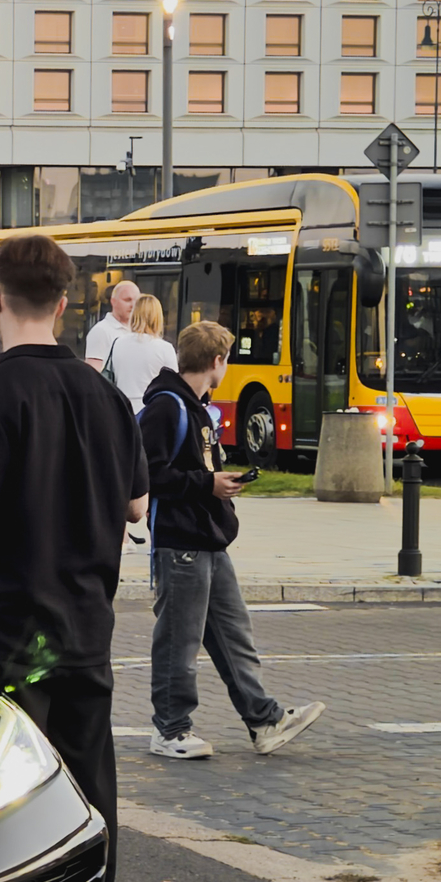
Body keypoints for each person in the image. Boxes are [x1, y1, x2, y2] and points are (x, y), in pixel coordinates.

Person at [0, 232, 148, 882]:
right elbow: (139, 506)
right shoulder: (106, 395)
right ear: (63, 303)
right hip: (87, 627)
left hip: (12, 636)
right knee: (90, 783)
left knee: (6, 795)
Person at [137, 321, 326, 760]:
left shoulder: (194, 406)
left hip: (207, 536)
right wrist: (208, 485)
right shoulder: (169, 407)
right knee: (179, 640)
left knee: (232, 633)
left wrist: (213, 485)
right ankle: (170, 729)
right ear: (217, 361)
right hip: (182, 538)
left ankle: (264, 720)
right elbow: (149, 473)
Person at [102, 293, 176, 414]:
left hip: (122, 410)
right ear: (158, 317)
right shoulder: (165, 348)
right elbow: (172, 387)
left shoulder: (117, 343)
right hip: (152, 412)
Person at [84, 280, 138, 371]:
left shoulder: (139, 330)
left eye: (137, 301)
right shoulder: (101, 331)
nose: (133, 305)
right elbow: (93, 373)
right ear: (113, 301)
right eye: (127, 300)